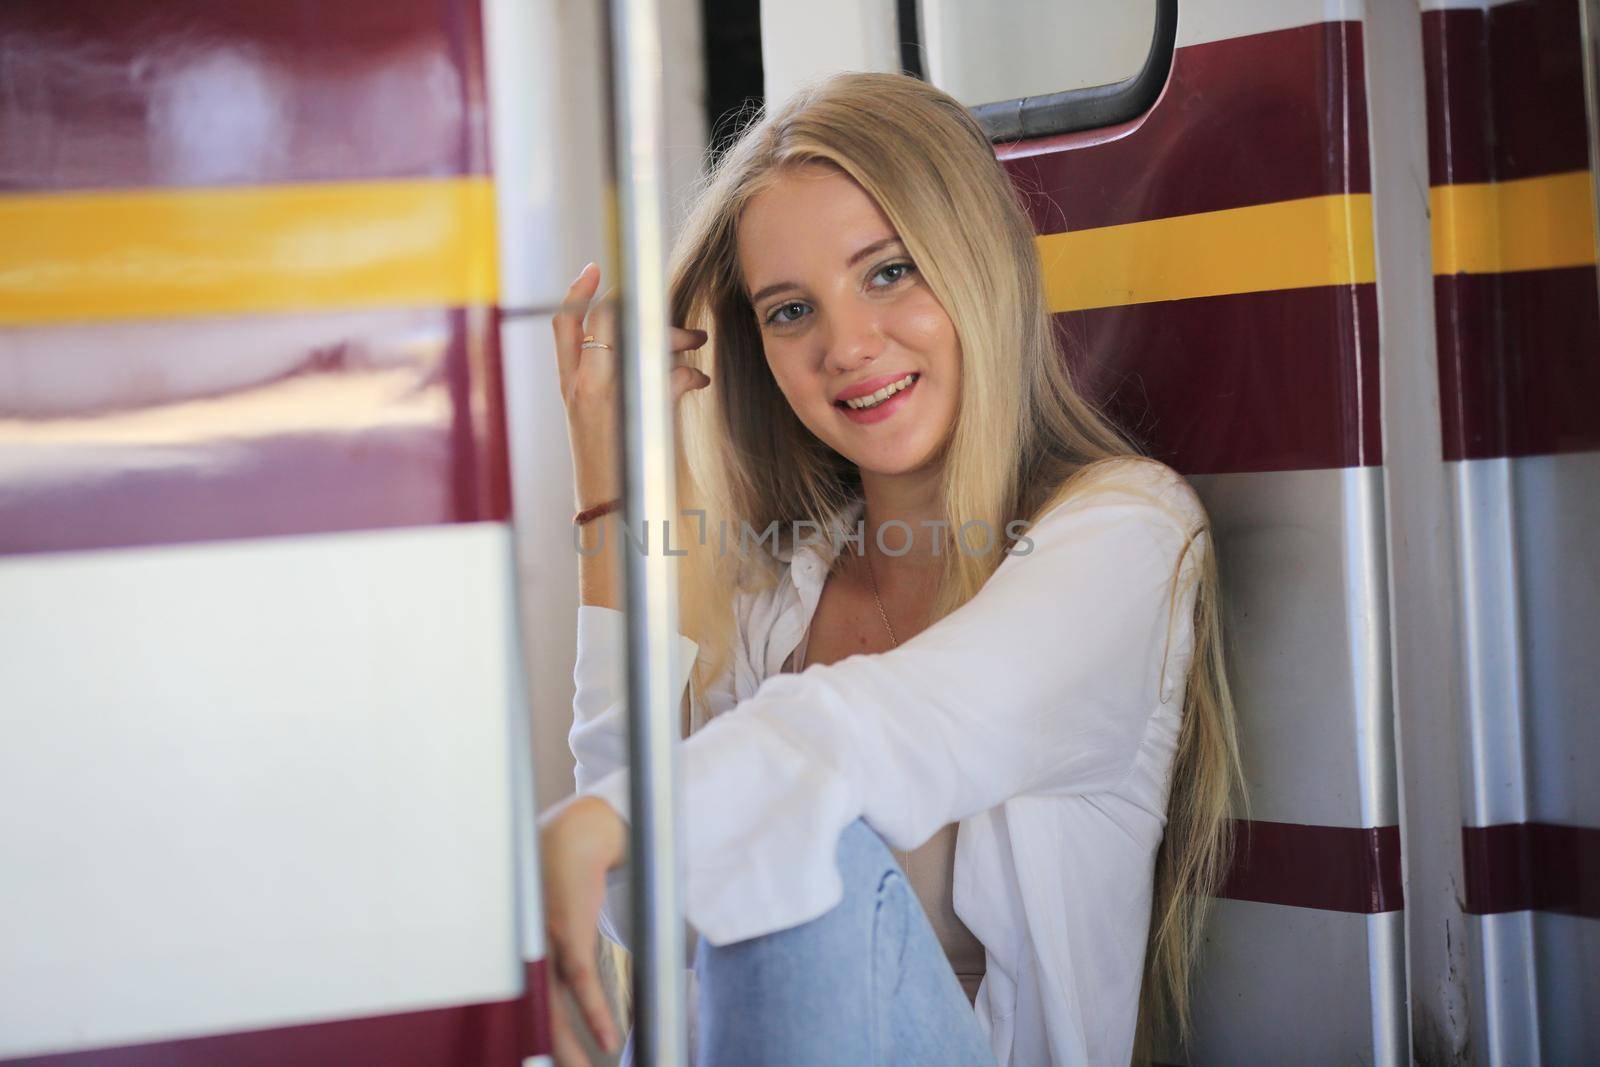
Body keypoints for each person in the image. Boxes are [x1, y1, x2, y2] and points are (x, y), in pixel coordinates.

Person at [537, 71, 1245, 1067]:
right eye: (789, 311)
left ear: (975, 261)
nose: (847, 346)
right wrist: (610, 488)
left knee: (799, 839)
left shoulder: (1129, 534)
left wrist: (610, 817)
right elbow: (639, 908)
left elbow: (883, 733)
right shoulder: (780, 590)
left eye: (887, 272)